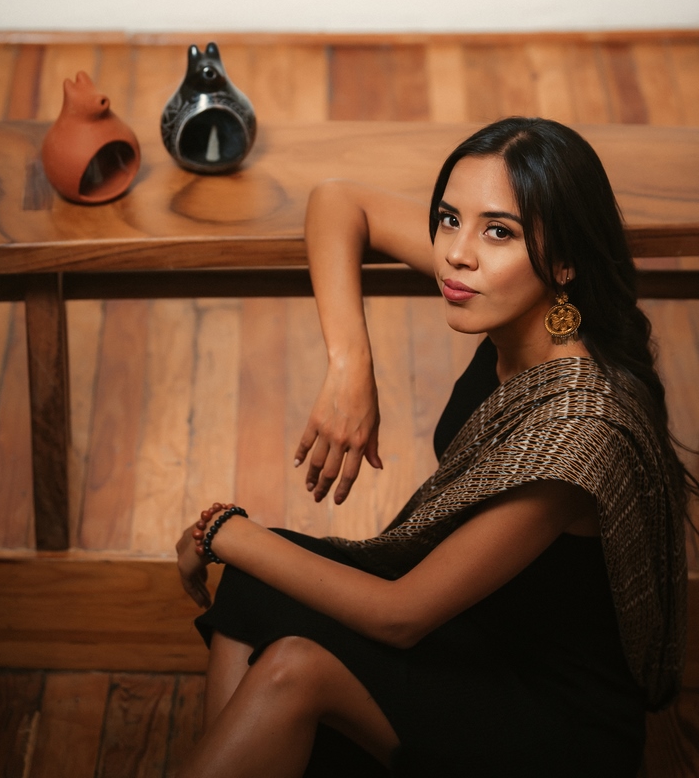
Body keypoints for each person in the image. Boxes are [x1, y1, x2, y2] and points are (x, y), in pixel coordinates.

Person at [175, 117, 690, 778]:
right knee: (258, 587)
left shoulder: (575, 438)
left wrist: (223, 530)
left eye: (498, 231)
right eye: (448, 219)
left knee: (288, 656)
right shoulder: (509, 293)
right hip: (479, 627)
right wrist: (349, 365)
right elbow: (338, 200)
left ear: (564, 260)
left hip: (552, 713)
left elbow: (401, 616)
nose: (455, 255)